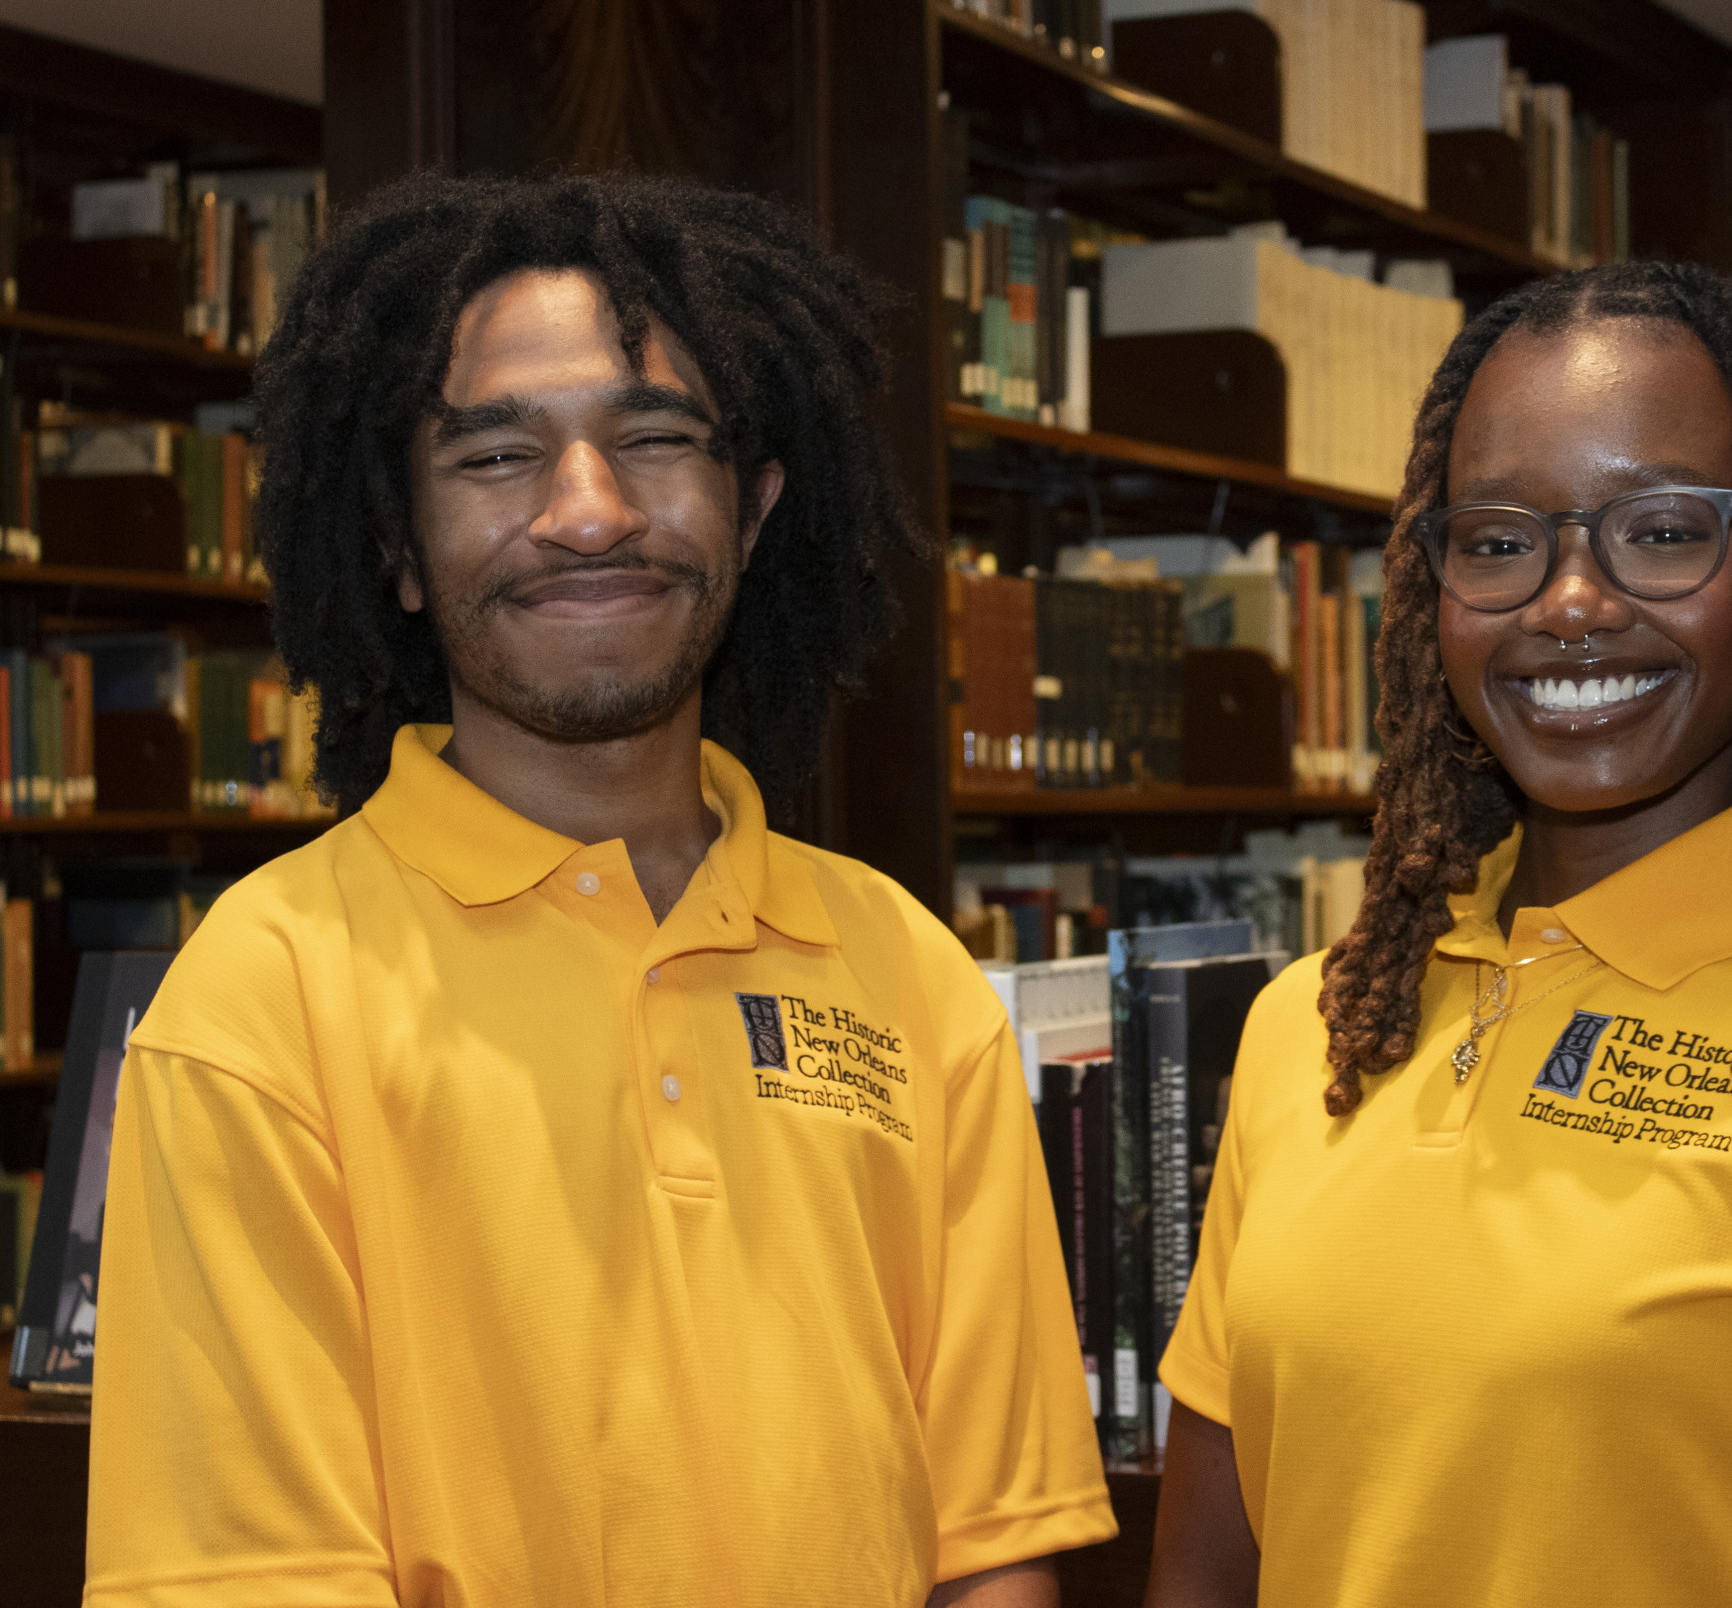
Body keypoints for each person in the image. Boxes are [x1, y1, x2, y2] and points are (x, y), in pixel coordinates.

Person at [85, 173, 1115, 1608]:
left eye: (655, 437)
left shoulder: (908, 971)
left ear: (752, 514)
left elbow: (993, 1550)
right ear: (396, 542)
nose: (588, 512)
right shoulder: (260, 1002)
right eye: (496, 457)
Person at [1144, 261, 1732, 1608]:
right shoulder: (1311, 1027)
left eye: (1661, 531)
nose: (1571, 602)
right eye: (1495, 541)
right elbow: (1205, 1578)